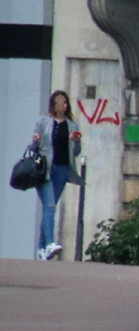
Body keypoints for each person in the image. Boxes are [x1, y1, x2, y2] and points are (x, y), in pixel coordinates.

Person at [31, 90, 82, 260]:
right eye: (60, 102)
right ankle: (50, 244)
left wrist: (76, 141)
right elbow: (33, 147)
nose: (63, 105)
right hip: (45, 170)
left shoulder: (72, 125)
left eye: (65, 102)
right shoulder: (43, 122)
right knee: (50, 206)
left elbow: (75, 152)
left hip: (62, 169)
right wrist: (36, 141)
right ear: (53, 105)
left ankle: (41, 249)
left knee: (49, 208)